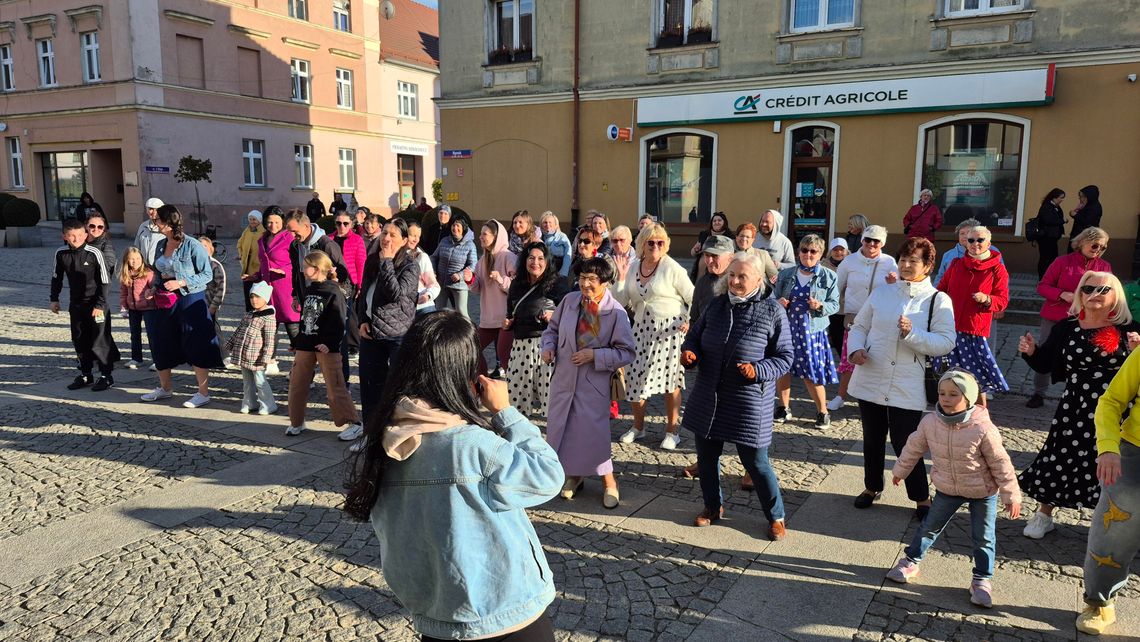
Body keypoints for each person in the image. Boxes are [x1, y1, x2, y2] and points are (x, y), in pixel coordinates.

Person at [344, 312, 564, 642]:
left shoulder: (386, 440)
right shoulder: (474, 447)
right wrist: (505, 412)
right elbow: (548, 475)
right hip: (507, 615)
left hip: (438, 618)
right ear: (465, 373)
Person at [1018, 272, 1140, 540]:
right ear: (1080, 294)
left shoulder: (1131, 329)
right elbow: (1046, 364)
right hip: (1074, 406)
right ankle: (1044, 514)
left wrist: (1134, 352)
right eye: (1087, 288)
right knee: (1059, 458)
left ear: (1115, 295)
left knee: (1110, 466)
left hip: (1116, 411)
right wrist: (1031, 352)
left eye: (1102, 289)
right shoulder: (1067, 327)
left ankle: (1109, 520)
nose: (1093, 294)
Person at [885, 369, 1022, 609]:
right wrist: (900, 471)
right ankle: (911, 561)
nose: (945, 399)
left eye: (953, 394)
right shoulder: (930, 422)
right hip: (948, 487)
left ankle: (981, 580)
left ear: (968, 398)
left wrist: (1011, 495)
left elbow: (1001, 463)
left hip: (983, 491)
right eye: (942, 393)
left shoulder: (982, 428)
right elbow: (913, 447)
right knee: (929, 527)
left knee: (983, 537)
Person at [681, 252, 795, 540]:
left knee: (756, 462)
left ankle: (776, 516)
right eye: (731, 275)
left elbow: (785, 357)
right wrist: (690, 354)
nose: (733, 281)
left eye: (742, 276)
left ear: (759, 279)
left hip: (748, 399)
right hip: (710, 395)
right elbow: (693, 336)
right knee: (706, 458)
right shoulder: (716, 305)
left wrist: (758, 370)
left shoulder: (772, 311)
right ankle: (712, 507)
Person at [847, 237, 956, 517]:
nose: (906, 265)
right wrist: (856, 349)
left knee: (905, 441)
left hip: (908, 382)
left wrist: (913, 334)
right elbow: (860, 326)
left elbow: (946, 341)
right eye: (903, 259)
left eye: (913, 261)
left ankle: (920, 496)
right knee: (872, 438)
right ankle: (872, 487)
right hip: (872, 374)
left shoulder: (937, 300)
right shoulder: (882, 293)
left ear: (928, 265)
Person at [543, 256, 636, 508]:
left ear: (606, 282)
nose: (585, 284)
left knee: (593, 434)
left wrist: (595, 355)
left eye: (592, 279)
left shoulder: (615, 312)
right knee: (565, 429)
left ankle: (609, 481)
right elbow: (551, 330)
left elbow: (627, 351)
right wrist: (549, 347)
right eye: (582, 278)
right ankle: (574, 475)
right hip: (564, 378)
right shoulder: (569, 301)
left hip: (592, 382)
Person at [1079, 337, 1140, 634]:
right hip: (1133, 455)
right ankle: (1099, 602)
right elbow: (1112, 401)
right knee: (1112, 537)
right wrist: (1108, 447)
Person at [616, 224, 694, 450]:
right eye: (651, 242)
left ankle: (672, 431)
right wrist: (621, 279)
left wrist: (689, 320)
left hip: (669, 331)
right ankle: (638, 427)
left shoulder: (672, 268)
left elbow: (693, 296)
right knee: (635, 379)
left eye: (660, 242)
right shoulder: (632, 267)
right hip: (641, 329)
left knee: (671, 383)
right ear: (642, 244)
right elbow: (620, 301)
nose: (656, 246)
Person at [140, 205, 224, 407]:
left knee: (195, 342)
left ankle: (203, 393)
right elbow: (160, 271)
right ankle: (165, 388)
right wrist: (154, 287)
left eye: (158, 220)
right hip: (165, 299)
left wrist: (181, 282)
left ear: (169, 222)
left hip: (190, 299)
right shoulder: (161, 243)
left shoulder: (192, 245)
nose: (155, 223)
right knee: (161, 340)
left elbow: (207, 274)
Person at [1026, 226, 1112, 408]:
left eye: (1103, 248)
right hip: (1056, 317)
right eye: (1095, 246)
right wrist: (1062, 294)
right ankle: (1038, 393)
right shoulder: (1062, 262)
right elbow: (1043, 286)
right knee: (1044, 353)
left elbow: (1110, 293)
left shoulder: (1104, 267)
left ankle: (1075, 395)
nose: (1099, 251)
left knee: (1079, 358)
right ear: (1082, 243)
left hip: (1085, 320)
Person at [286, 250, 362, 437]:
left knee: (335, 387)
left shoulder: (334, 291)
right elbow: (305, 318)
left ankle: (354, 423)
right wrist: (298, 341)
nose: (303, 271)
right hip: (306, 344)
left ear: (317, 268)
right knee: (297, 385)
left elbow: (338, 320)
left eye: (306, 267)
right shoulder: (310, 288)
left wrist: (329, 342)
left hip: (327, 347)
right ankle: (297, 422)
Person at [355, 219, 420, 432]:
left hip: (397, 334)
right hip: (372, 331)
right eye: (384, 233)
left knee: (398, 387)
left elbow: (395, 295)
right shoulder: (373, 260)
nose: (386, 239)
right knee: (370, 386)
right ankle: (370, 434)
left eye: (393, 235)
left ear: (404, 240)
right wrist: (363, 320)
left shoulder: (411, 265)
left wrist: (387, 263)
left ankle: (398, 432)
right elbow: (364, 293)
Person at [934, 225, 1010, 404]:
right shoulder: (956, 264)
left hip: (974, 328)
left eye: (980, 240)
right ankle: (954, 408)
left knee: (976, 375)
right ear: (965, 243)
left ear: (989, 243)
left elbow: (1002, 300)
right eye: (971, 240)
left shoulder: (997, 269)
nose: (975, 244)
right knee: (953, 372)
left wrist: (987, 299)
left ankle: (980, 413)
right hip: (951, 326)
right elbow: (941, 290)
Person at [773, 234, 840, 428]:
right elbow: (773, 298)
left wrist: (820, 306)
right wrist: (778, 303)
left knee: (812, 372)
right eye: (804, 250)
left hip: (812, 331)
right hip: (787, 328)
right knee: (783, 368)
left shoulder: (829, 276)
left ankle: (822, 411)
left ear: (820, 254)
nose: (808, 254)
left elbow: (835, 304)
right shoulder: (787, 274)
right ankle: (783, 407)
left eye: (813, 251)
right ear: (798, 252)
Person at [829, 225, 898, 410]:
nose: (871, 244)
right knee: (849, 357)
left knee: (877, 357)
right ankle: (841, 396)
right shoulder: (849, 261)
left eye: (876, 241)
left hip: (880, 316)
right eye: (868, 239)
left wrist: (893, 284)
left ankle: (874, 397)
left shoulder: (889, 262)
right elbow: (836, 288)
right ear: (862, 241)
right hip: (854, 316)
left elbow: (898, 291)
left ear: (882, 243)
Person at [51, 218, 120, 391]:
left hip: (97, 304)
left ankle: (106, 376)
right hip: (76, 304)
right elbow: (56, 277)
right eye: (72, 236)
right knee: (79, 339)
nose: (76, 239)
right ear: (65, 236)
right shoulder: (61, 253)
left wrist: (100, 304)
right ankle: (85, 374)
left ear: (85, 234)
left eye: (80, 235)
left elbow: (105, 281)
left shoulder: (94, 253)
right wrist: (54, 299)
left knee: (99, 340)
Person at [506, 242, 569, 416]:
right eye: (531, 258)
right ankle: (517, 434)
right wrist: (508, 322)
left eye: (541, 258)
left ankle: (555, 438)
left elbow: (570, 314)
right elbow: (510, 312)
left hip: (547, 346)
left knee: (550, 397)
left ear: (547, 261)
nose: (536, 262)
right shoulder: (516, 284)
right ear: (525, 260)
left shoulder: (558, 284)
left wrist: (554, 316)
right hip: (520, 346)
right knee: (516, 395)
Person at [467, 220, 517, 377]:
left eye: (484, 234)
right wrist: (470, 279)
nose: (480, 237)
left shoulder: (508, 256)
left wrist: (501, 280)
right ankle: (483, 384)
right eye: (480, 233)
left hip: (506, 320)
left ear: (496, 237)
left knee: (505, 358)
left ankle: (514, 391)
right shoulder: (482, 261)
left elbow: (516, 287)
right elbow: (477, 289)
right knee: (472, 349)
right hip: (488, 319)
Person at [224, 280, 278, 415]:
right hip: (244, 354)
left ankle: (268, 404)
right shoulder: (249, 314)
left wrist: (266, 356)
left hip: (257, 357)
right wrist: (230, 344)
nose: (254, 300)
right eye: (252, 297)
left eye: (258, 297)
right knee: (247, 381)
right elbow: (239, 331)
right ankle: (249, 402)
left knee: (260, 381)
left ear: (265, 298)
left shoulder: (268, 317)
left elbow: (270, 339)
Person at [258, 207, 300, 371]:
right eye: (269, 221)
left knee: (293, 327)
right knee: (269, 327)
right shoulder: (263, 239)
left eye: (276, 222)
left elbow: (297, 262)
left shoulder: (289, 237)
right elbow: (264, 262)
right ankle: (269, 361)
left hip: (286, 289)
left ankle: (302, 367)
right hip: (268, 290)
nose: (273, 225)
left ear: (282, 222)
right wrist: (255, 275)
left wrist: (284, 271)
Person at [332, 211, 367, 366]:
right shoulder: (329, 238)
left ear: (351, 224)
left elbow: (361, 263)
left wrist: (360, 284)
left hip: (348, 281)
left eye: (345, 223)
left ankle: (353, 345)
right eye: (338, 223)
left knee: (349, 313)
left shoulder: (357, 240)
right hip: (331, 280)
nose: (342, 226)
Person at [932, 218, 1004, 286]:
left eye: (969, 232)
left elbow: (1001, 278)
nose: (965, 236)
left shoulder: (992, 251)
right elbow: (940, 278)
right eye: (962, 233)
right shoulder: (948, 255)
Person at [432, 217, 478, 318]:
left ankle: (469, 333)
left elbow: (473, 265)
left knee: (461, 312)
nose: (455, 228)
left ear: (463, 228)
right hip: (441, 283)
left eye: (458, 225)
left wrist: (460, 275)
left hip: (459, 286)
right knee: (439, 311)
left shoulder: (470, 245)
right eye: (453, 225)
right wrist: (434, 271)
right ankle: (440, 332)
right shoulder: (444, 241)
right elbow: (434, 257)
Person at [118, 247, 154, 369]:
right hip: (133, 308)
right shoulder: (126, 274)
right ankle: (136, 358)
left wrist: (151, 295)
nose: (135, 261)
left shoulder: (148, 273)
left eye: (138, 258)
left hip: (149, 308)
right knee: (135, 334)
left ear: (142, 259)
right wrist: (124, 307)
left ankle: (157, 360)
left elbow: (155, 289)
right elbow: (123, 293)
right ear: (126, 261)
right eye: (132, 259)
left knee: (152, 334)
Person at [199, 236, 228, 365]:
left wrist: (214, 305)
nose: (201, 249)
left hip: (211, 303)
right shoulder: (196, 265)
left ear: (211, 249)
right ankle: (206, 354)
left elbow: (221, 287)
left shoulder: (215, 265)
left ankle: (223, 355)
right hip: (198, 304)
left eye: (204, 246)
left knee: (215, 330)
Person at [406, 222, 440, 315]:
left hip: (423, 308)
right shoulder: (393, 256)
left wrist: (428, 296)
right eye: (412, 235)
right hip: (404, 311)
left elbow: (434, 285)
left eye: (418, 236)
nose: (416, 239)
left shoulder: (421, 257)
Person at [689, 211, 733, 281]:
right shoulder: (704, 235)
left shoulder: (730, 237)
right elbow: (692, 253)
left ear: (724, 222)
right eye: (714, 221)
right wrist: (696, 250)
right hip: (702, 269)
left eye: (719, 220)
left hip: (719, 270)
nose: (716, 222)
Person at [1035, 188, 1067, 279]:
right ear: (1054, 197)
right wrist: (1062, 221)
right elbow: (1048, 220)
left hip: (1052, 237)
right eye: (1061, 198)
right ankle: (1042, 278)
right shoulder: (1047, 206)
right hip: (1045, 237)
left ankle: (1049, 277)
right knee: (1045, 258)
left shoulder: (1056, 207)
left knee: (1052, 258)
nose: (1062, 200)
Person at [824, 238, 849, 353]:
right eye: (835, 250)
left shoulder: (852, 264)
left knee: (849, 339)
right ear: (830, 251)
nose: (838, 252)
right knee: (836, 336)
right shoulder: (823, 265)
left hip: (848, 307)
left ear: (846, 251)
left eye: (841, 250)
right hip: (832, 308)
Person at [236, 210, 264, 311]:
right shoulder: (247, 231)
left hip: (258, 267)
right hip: (247, 267)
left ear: (259, 220)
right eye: (250, 219)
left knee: (257, 292)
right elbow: (240, 244)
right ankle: (248, 312)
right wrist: (242, 255)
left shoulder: (263, 232)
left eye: (254, 219)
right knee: (247, 291)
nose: (252, 221)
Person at [539, 211, 572, 277]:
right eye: (545, 222)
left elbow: (568, 255)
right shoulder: (538, 237)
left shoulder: (562, 236)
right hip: (542, 271)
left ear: (555, 224)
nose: (547, 224)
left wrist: (564, 272)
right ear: (541, 224)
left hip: (558, 270)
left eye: (550, 222)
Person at [134, 197, 166, 266]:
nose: (154, 212)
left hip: (161, 268)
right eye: (151, 209)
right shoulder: (143, 226)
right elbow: (136, 247)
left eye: (157, 209)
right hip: (144, 267)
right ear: (147, 210)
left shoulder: (166, 227)